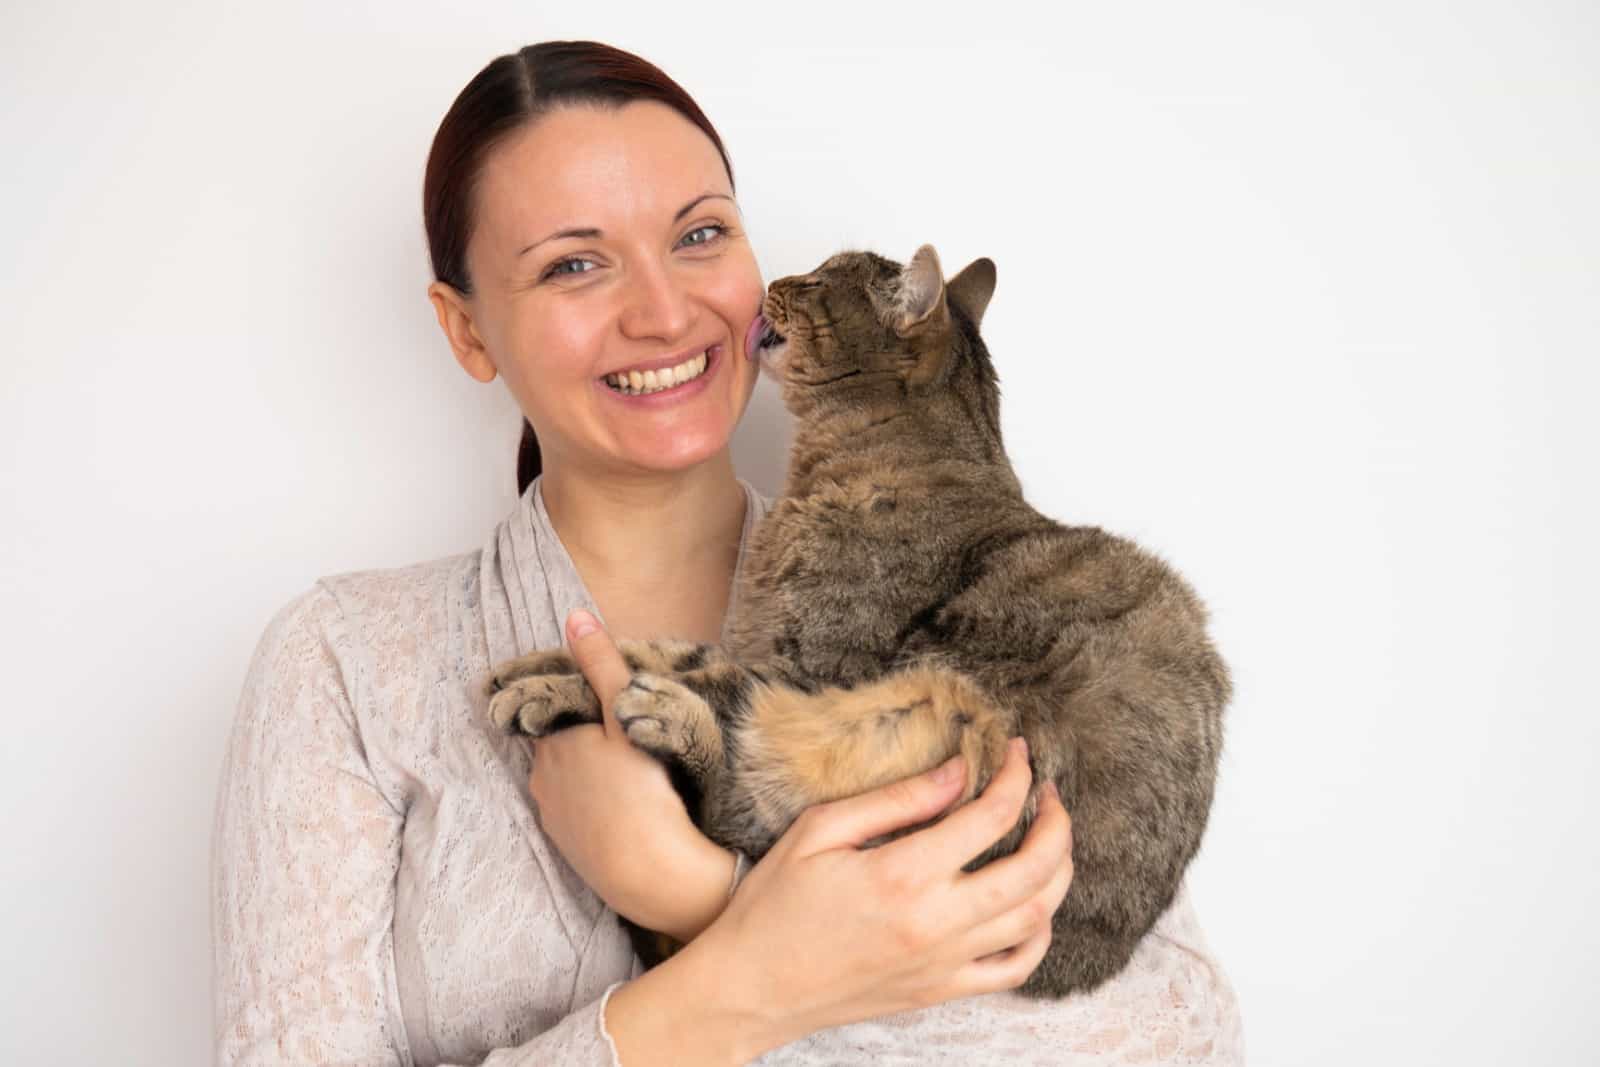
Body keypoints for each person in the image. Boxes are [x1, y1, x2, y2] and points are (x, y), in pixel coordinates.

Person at [210, 40, 1242, 1066]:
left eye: (700, 234)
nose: (664, 313)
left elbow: (1180, 1034)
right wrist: (741, 982)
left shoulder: (999, 618)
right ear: (466, 329)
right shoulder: (345, 665)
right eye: (574, 263)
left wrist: (703, 900)